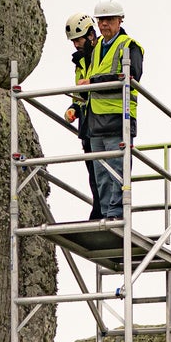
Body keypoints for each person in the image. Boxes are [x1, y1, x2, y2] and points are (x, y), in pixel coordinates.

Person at [80, 0, 143, 221]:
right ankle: (106, 215)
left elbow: (131, 76)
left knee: (117, 169)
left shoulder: (129, 45)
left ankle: (116, 216)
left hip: (119, 118)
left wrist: (94, 82)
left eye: (109, 19)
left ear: (120, 20)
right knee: (101, 174)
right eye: (101, 20)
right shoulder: (96, 48)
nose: (104, 24)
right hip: (96, 120)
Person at [62, 13, 102, 220]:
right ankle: (98, 209)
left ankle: (105, 212)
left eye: (78, 39)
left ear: (90, 35)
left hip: (102, 120)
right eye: (73, 41)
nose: (76, 44)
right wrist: (74, 108)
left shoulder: (101, 53)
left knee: (105, 171)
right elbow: (80, 94)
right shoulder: (79, 62)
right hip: (88, 123)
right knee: (93, 173)